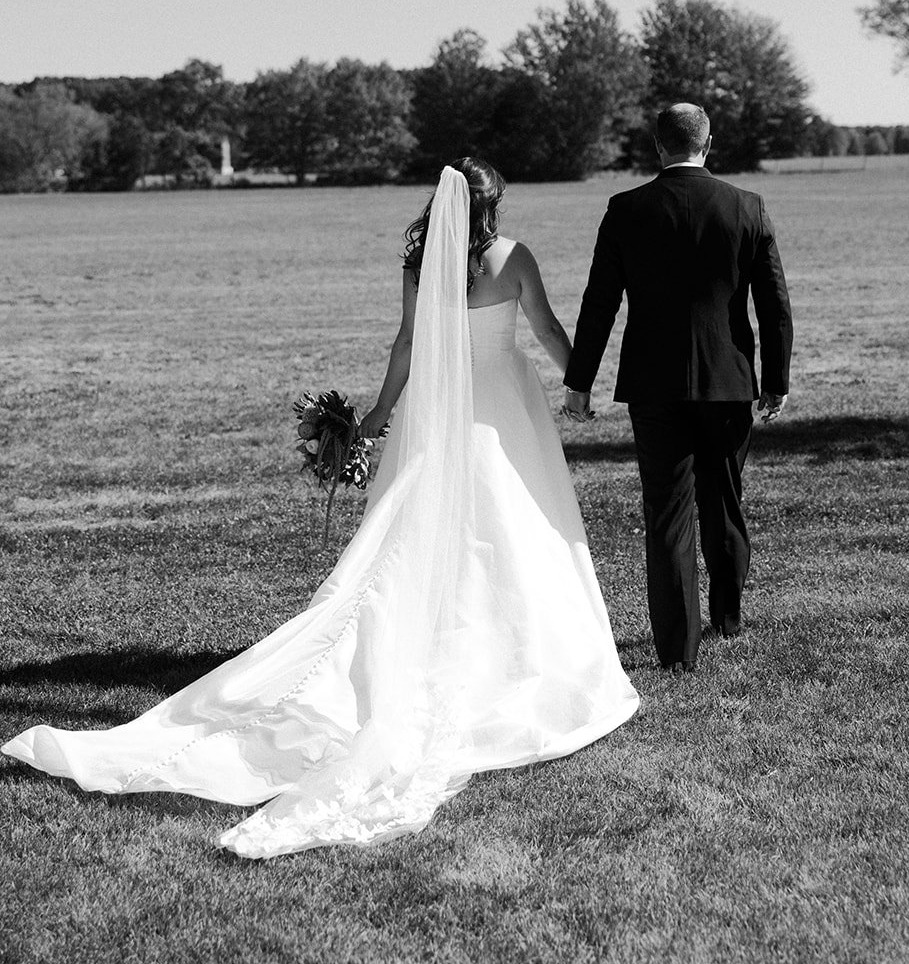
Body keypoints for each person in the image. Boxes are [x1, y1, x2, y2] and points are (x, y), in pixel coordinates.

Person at [3, 159, 638, 857]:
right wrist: (577, 383)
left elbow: (406, 343)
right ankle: (511, 652)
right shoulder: (512, 257)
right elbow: (545, 328)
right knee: (510, 526)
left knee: (425, 528)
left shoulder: (420, 259)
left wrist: (379, 414)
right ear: (496, 204)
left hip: (435, 407)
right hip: (501, 407)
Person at [563, 104, 792, 674]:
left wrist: (579, 383)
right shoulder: (747, 207)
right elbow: (775, 306)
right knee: (725, 501)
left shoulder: (625, 210)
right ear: (708, 142)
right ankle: (729, 620)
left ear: (658, 146)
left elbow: (599, 304)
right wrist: (776, 380)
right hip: (730, 379)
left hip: (654, 384)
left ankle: (676, 650)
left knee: (667, 513)